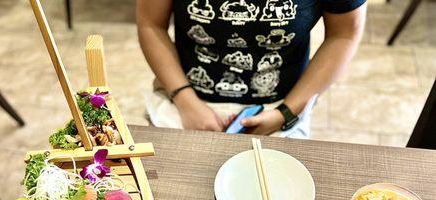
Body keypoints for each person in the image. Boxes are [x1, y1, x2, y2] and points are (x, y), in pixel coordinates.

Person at [137, 0, 366, 138]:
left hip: (282, 104)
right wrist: (186, 102)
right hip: (182, 96)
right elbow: (150, 23)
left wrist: (284, 114)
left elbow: (343, 34)